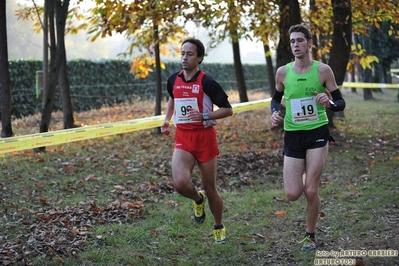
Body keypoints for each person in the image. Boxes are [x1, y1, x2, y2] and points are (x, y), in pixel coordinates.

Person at [270, 24, 346, 251]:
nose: (295, 45)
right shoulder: (283, 72)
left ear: (309, 43)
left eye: (300, 41)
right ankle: (306, 177)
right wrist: (275, 112)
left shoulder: (323, 70)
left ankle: (310, 235)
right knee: (293, 193)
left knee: (311, 190)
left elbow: (340, 103)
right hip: (293, 135)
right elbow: (275, 98)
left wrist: (329, 103)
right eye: (292, 41)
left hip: (317, 133)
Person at [161, 38, 233, 244]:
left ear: (200, 58)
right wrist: (166, 120)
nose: (184, 57)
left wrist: (204, 115)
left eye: (190, 54)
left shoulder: (207, 82)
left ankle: (218, 225)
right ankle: (197, 199)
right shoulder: (173, 79)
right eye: (182, 53)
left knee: (211, 189)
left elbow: (228, 110)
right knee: (180, 183)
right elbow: (173, 99)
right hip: (183, 138)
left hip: (204, 140)